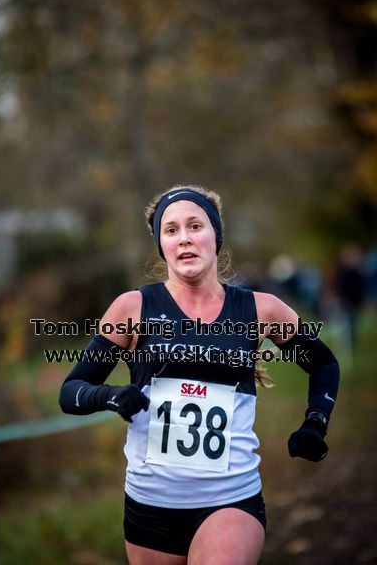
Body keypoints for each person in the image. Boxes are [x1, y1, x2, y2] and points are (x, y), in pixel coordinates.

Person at [59, 185, 340, 565]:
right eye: (171, 230)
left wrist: (315, 422)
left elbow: (323, 363)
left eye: (195, 226)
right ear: (161, 244)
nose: (185, 239)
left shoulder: (261, 309)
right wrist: (111, 395)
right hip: (149, 506)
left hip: (231, 499)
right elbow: (71, 390)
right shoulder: (132, 308)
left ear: (216, 236)